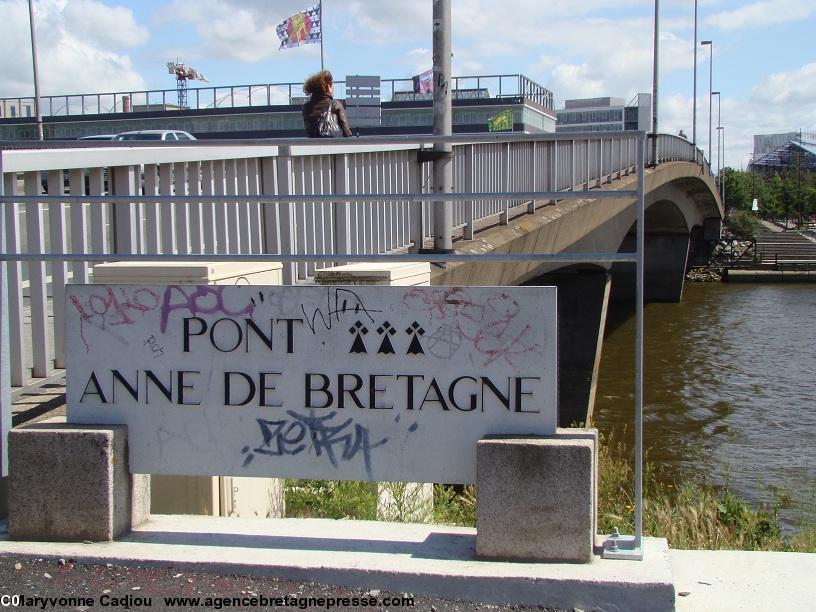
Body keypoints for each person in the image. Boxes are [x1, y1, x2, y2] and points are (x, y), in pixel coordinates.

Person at [302, 70, 352, 138]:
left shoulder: (306, 107)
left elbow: (309, 130)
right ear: (328, 87)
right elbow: (346, 131)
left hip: (314, 145)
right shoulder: (336, 104)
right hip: (333, 145)